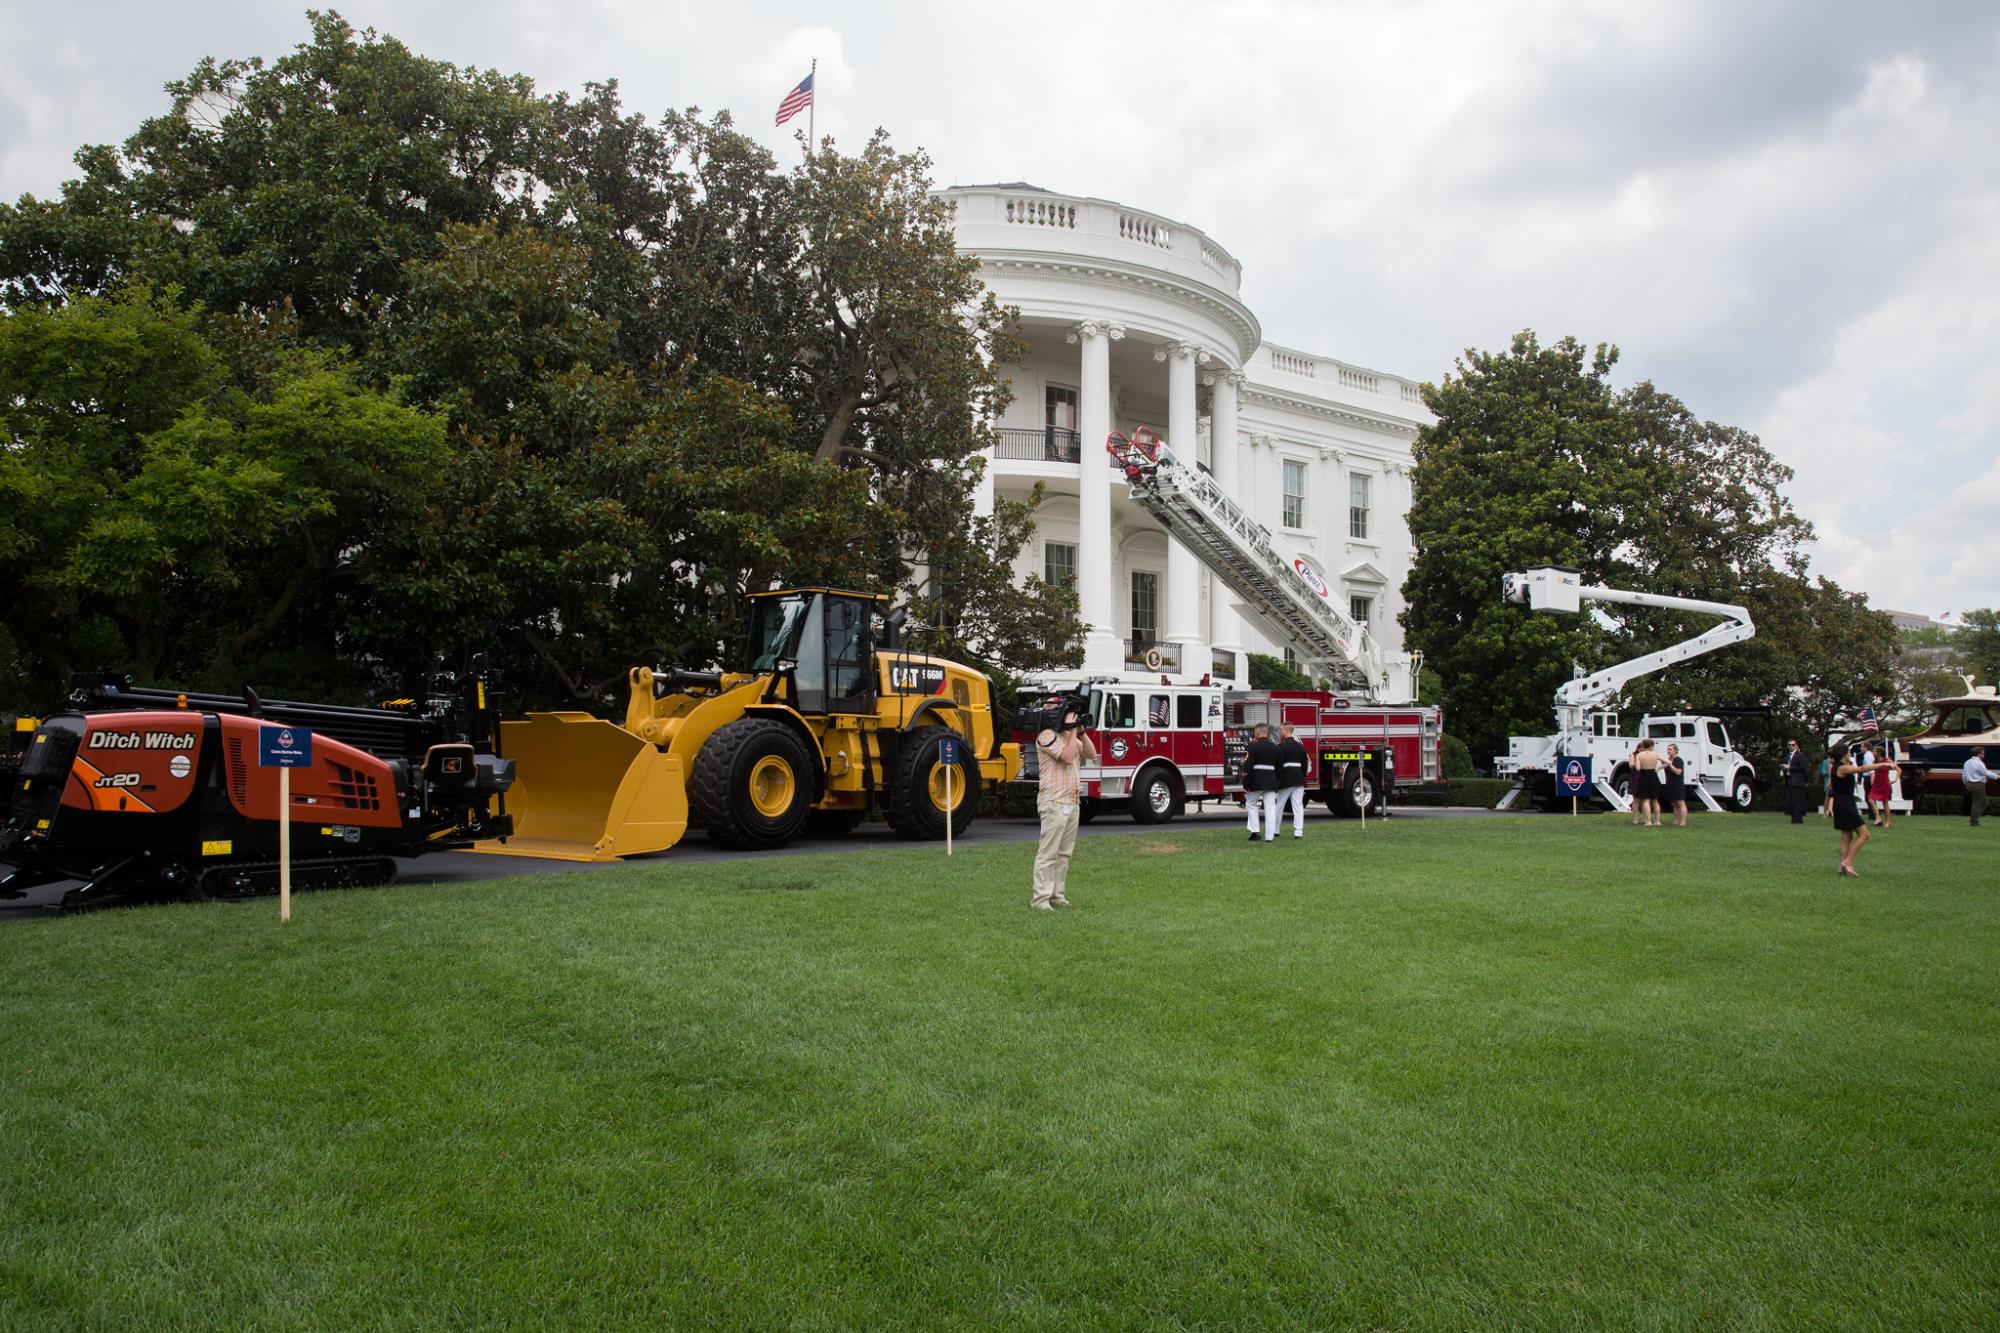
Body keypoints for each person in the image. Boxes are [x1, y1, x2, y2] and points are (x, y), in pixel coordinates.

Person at [1031, 703, 1098, 910]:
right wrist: (1071, 732)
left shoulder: (1069, 737)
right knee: (1048, 852)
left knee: (1064, 853)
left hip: (1071, 801)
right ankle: (1040, 899)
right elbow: (1068, 757)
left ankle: (1057, 895)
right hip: (1054, 801)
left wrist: (1081, 731)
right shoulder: (1046, 736)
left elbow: (1091, 754)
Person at [1829, 744, 1897, 877]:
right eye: (1848, 752)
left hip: (1840, 804)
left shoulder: (1835, 767)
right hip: (1846, 804)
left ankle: (1841, 867)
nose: (1849, 754)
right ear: (1843, 754)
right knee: (1864, 834)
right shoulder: (1842, 767)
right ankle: (1847, 863)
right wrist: (1882, 765)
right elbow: (1861, 768)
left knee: (1846, 836)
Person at [1241, 722, 1282, 843]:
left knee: (1251, 804)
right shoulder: (1276, 748)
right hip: (1271, 781)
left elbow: (1248, 766)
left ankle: (1255, 832)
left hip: (1256, 780)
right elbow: (1279, 769)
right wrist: (1277, 783)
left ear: (1257, 732)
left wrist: (1246, 784)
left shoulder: (1253, 746)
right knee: (1270, 808)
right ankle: (1269, 836)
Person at [1276, 723, 1310, 839]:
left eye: (1281, 729)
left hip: (1286, 779)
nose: (1280, 731)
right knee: (1298, 806)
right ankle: (1298, 831)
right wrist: (1302, 776)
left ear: (1286, 731)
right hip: (1299, 778)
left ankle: (1275, 829)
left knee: (1279, 805)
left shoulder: (1281, 747)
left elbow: (1278, 765)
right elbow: (1304, 765)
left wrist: (1278, 779)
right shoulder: (1300, 747)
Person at [1628, 738, 1664, 827]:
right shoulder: (1635, 755)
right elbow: (1632, 765)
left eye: (1643, 749)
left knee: (1647, 799)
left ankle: (1647, 819)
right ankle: (1636, 818)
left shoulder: (1646, 754)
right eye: (1641, 749)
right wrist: (1639, 761)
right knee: (1636, 799)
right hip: (1636, 777)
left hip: (1643, 776)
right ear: (1638, 748)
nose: (1642, 751)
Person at [1869, 741, 1896, 828]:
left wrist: (1895, 779)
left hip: (1884, 783)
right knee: (1870, 800)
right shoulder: (1875, 761)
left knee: (1885, 802)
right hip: (1876, 783)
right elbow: (1873, 771)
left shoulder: (1887, 760)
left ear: (1879, 752)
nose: (1873, 753)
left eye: (1874, 751)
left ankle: (1888, 821)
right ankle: (1878, 818)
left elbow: (1897, 768)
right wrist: (1872, 778)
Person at [1965, 746, 1993, 827]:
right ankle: (1974, 822)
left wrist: (1966, 784)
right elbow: (1986, 773)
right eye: (1983, 752)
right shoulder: (1978, 763)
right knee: (1977, 803)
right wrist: (1997, 776)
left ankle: (1974, 819)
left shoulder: (1967, 762)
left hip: (1970, 784)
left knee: (1984, 802)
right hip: (1978, 785)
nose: (1984, 754)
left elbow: (1964, 775)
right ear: (1979, 754)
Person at [1784, 739, 1810, 823]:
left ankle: (1797, 818)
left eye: (1793, 745)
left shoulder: (1799, 755)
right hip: (1790, 780)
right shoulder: (1788, 756)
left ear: (1796, 745)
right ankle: (1794, 817)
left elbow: (1803, 768)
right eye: (1789, 745)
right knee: (1792, 800)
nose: (1791, 746)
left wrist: (1789, 767)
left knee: (1797, 800)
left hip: (1797, 781)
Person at [1664, 743, 1689, 827]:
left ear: (1675, 750)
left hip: (1677, 784)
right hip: (1670, 784)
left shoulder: (1678, 760)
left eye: (1670, 749)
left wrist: (1670, 764)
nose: (1668, 751)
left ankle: (1683, 821)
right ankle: (1676, 820)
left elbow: (1678, 772)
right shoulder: (1668, 760)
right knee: (1674, 803)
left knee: (1680, 802)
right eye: (1668, 749)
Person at [1819, 751, 1834, 817]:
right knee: (1827, 797)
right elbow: (1822, 772)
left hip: (1835, 782)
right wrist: (1828, 772)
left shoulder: (1836, 761)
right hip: (1828, 781)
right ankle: (1825, 812)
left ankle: (1831, 811)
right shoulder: (1825, 762)